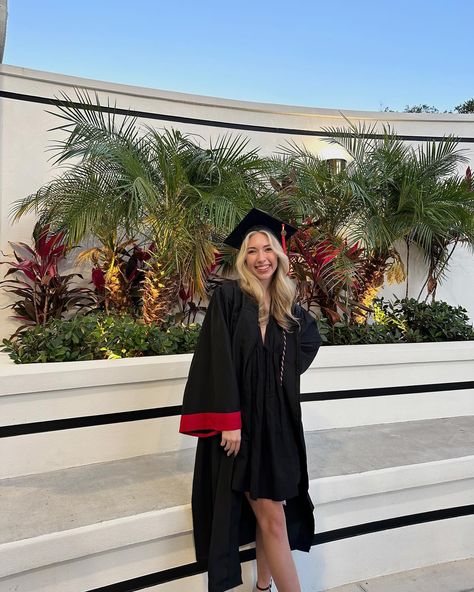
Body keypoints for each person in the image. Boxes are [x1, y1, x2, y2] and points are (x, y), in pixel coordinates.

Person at [179, 208, 322, 592]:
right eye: (253, 251)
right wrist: (229, 418)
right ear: (243, 259)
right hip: (239, 429)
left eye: (268, 249)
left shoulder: (287, 307)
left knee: (270, 512)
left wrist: (279, 378)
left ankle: (262, 586)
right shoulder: (229, 298)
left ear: (279, 255)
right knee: (272, 516)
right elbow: (216, 359)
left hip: (275, 426)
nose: (261, 257)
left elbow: (310, 341)